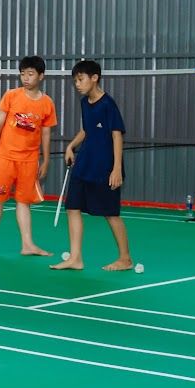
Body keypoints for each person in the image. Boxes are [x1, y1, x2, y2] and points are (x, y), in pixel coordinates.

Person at [51, 59, 134, 273]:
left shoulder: (108, 104)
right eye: (75, 81)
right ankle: (75, 258)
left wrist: (116, 169)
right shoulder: (84, 103)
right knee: (72, 208)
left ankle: (125, 258)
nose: (77, 84)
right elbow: (86, 130)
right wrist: (71, 146)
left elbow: (117, 135)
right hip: (84, 163)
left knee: (110, 213)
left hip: (104, 167)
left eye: (81, 80)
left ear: (94, 78)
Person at [0, 56, 57, 256]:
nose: (26, 78)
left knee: (24, 201)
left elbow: (46, 134)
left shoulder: (47, 103)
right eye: (23, 74)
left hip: (29, 160)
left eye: (30, 74)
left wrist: (46, 159)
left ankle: (27, 245)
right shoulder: (11, 96)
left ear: (41, 76)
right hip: (5, 157)